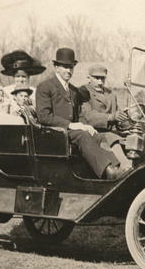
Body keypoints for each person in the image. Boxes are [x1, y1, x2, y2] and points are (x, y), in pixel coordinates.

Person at [36, 47, 124, 179]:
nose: (69, 70)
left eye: (71, 67)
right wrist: (71, 125)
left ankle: (119, 167)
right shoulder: (45, 87)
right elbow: (43, 116)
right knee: (82, 135)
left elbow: (78, 115)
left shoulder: (73, 90)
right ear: (56, 67)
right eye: (65, 67)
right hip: (54, 132)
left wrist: (86, 125)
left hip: (72, 131)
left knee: (100, 136)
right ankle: (108, 171)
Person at [78, 64, 132, 169]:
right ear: (89, 77)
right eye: (96, 78)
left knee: (135, 137)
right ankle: (126, 169)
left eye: (102, 78)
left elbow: (118, 114)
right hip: (92, 133)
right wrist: (111, 117)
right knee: (110, 137)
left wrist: (127, 119)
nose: (100, 82)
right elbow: (89, 116)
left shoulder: (111, 94)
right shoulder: (83, 92)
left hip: (112, 133)